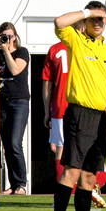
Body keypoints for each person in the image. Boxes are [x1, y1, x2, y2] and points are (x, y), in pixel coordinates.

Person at [47, 1, 106, 211]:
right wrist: (88, 12)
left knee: (89, 176)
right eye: (94, 19)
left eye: (101, 19)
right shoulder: (76, 40)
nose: (98, 23)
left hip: (100, 117)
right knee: (72, 171)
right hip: (80, 113)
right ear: (85, 21)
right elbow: (59, 22)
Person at [0, 22, 30, 195]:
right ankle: (13, 184)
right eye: (4, 36)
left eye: (10, 36)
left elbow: (15, 70)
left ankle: (21, 184)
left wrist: (6, 50)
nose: (7, 39)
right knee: (6, 144)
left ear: (15, 37)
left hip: (19, 101)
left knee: (15, 142)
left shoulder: (22, 52)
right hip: (1, 101)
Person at [42, 37, 72, 182]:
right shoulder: (85, 46)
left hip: (60, 104)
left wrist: (47, 111)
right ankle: (83, 188)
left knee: (60, 147)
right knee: (82, 147)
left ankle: (63, 188)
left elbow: (47, 84)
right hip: (82, 105)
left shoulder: (55, 49)